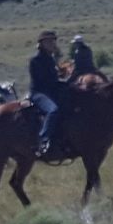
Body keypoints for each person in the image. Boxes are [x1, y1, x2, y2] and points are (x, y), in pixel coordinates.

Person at [27, 30, 71, 160]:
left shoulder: (50, 59)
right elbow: (43, 80)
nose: (52, 44)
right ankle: (43, 140)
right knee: (53, 110)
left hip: (51, 90)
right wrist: (59, 78)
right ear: (41, 44)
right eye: (49, 41)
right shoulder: (35, 60)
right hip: (39, 93)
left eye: (53, 41)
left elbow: (52, 78)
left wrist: (62, 76)